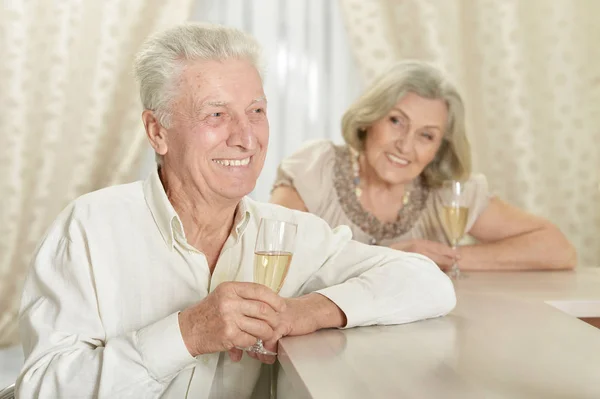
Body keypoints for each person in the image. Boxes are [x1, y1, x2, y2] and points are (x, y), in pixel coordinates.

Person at [16, 24, 455, 398]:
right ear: (157, 131)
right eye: (217, 114)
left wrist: (305, 311)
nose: (246, 137)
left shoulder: (290, 234)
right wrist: (187, 334)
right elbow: (42, 388)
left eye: (256, 111)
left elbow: (426, 283)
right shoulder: (89, 229)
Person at [271, 61, 576, 271]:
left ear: (439, 148)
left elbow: (557, 249)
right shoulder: (317, 169)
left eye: (426, 135)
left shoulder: (447, 193)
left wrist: (447, 259)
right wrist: (389, 257)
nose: (405, 145)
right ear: (370, 118)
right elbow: (276, 259)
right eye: (396, 121)